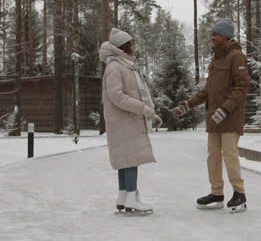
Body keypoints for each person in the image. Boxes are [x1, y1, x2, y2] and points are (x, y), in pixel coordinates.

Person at [174, 18, 250, 213]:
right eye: (212, 34)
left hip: (229, 116)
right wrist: (189, 104)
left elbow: (242, 87)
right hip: (214, 117)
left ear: (225, 35)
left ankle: (239, 193)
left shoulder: (236, 56)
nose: (212, 37)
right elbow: (207, 90)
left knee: (230, 155)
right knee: (213, 156)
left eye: (215, 34)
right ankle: (216, 193)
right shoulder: (215, 59)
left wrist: (225, 109)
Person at [99, 28, 162, 214]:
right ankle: (132, 198)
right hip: (123, 119)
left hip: (126, 119)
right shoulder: (115, 66)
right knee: (130, 158)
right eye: (131, 43)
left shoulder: (124, 64)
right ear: (125, 46)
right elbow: (116, 96)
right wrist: (143, 109)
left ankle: (124, 196)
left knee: (125, 159)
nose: (134, 46)